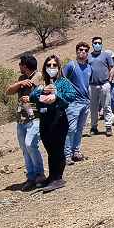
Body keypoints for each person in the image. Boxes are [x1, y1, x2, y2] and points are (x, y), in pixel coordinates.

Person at [29, 55, 76, 192]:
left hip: (58, 116)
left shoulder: (63, 82)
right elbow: (32, 97)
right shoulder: (43, 83)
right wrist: (44, 93)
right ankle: (52, 176)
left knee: (57, 148)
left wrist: (56, 95)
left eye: (54, 65)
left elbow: (71, 95)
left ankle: (58, 178)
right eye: (49, 65)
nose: (51, 68)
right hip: (44, 117)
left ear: (59, 67)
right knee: (49, 148)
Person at [5, 54, 45, 190]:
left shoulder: (40, 76)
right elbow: (8, 91)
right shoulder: (22, 79)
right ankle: (31, 177)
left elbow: (44, 94)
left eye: (20, 65)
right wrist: (19, 84)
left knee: (31, 145)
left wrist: (31, 98)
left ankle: (40, 174)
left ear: (24, 66)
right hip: (21, 119)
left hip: (35, 118)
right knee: (25, 149)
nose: (20, 67)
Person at [62, 42, 92, 163]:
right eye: (81, 50)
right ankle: (67, 154)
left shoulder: (89, 67)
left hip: (85, 102)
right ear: (76, 51)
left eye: (85, 50)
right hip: (73, 103)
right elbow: (62, 81)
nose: (83, 52)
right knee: (71, 129)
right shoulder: (71, 66)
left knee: (79, 129)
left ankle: (75, 152)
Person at [86, 36, 114, 137]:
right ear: (92, 44)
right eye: (95, 43)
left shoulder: (106, 55)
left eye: (99, 43)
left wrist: (109, 80)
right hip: (92, 85)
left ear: (102, 44)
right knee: (93, 107)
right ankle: (94, 127)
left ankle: (108, 126)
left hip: (104, 84)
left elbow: (111, 68)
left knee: (106, 106)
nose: (97, 45)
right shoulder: (88, 56)